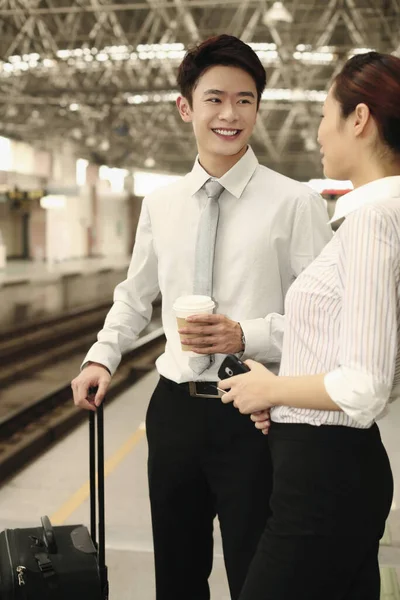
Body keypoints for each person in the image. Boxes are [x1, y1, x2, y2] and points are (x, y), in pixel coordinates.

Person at [71, 34, 332, 600]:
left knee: (256, 575)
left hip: (258, 416)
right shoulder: (161, 205)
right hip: (175, 413)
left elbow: (322, 322)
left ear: (259, 107)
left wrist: (249, 333)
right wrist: (102, 357)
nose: (230, 114)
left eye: (245, 100)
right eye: (215, 99)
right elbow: (135, 295)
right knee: (178, 576)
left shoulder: (295, 203)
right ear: (186, 107)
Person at [219, 50, 400, 600]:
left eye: (326, 115)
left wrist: (270, 388)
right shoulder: (375, 219)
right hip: (329, 466)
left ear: (360, 120)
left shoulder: (372, 220)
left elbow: (364, 384)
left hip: (325, 480)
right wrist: (286, 401)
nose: (318, 131)